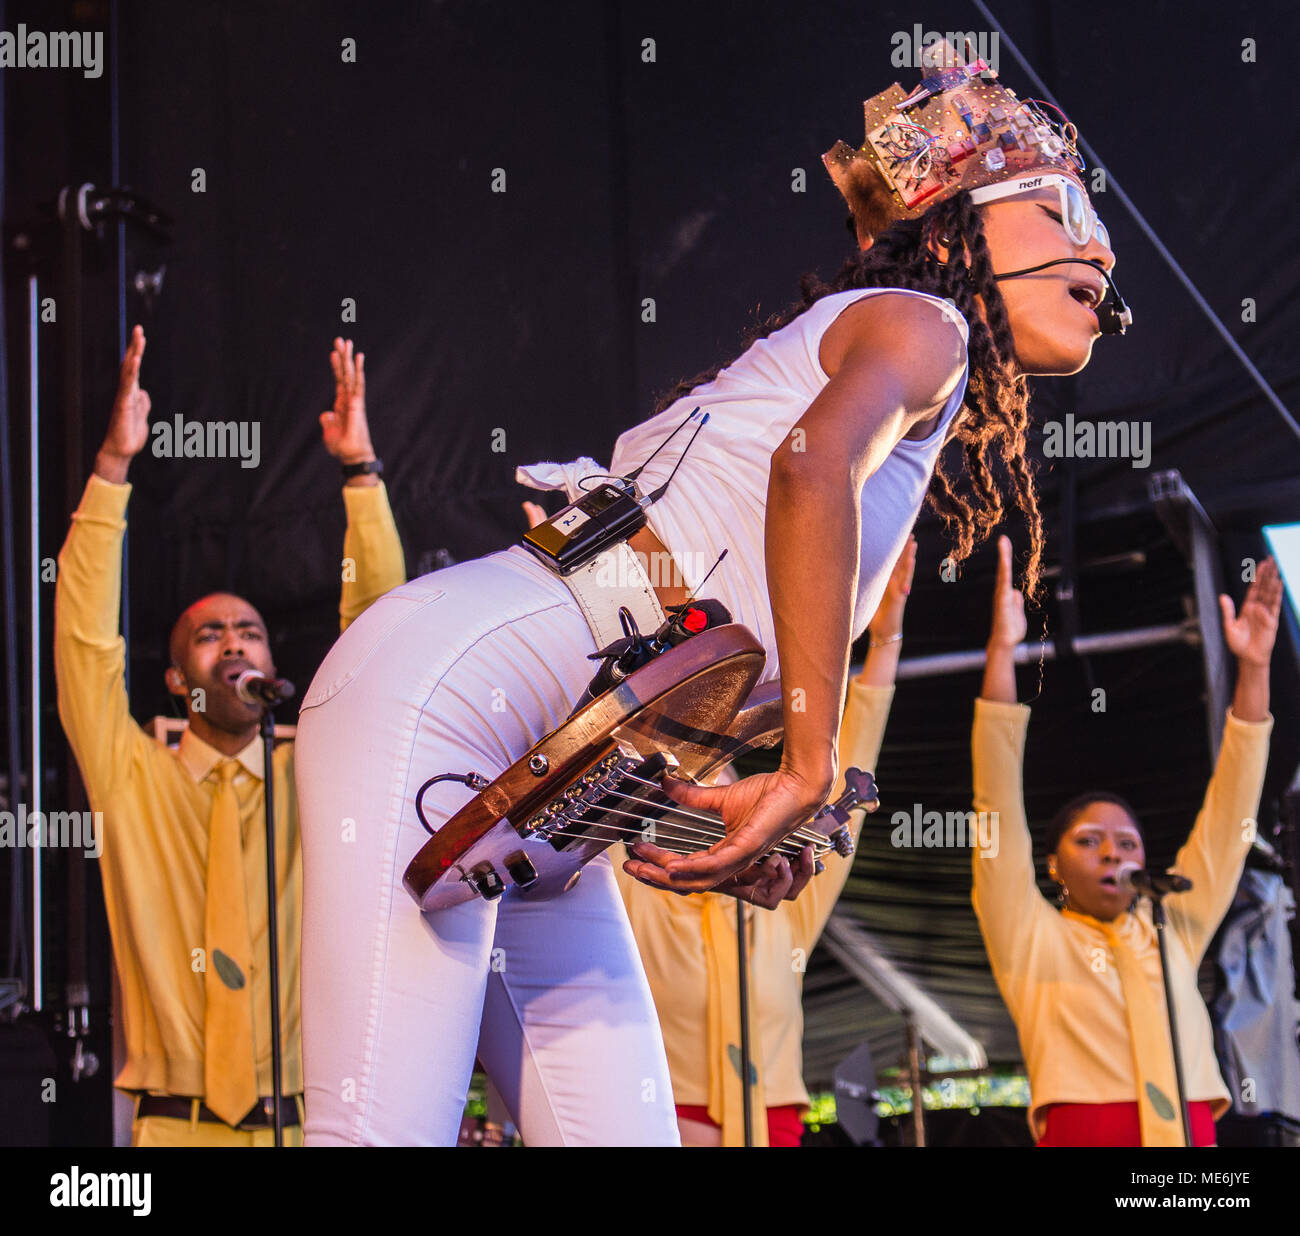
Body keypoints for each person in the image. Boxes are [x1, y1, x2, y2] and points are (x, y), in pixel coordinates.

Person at [294, 41, 1120, 1146]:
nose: (1099, 245)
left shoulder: (895, 348)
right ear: (958, 220)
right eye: (1061, 207)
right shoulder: (931, 327)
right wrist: (809, 764)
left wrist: (725, 815)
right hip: (448, 699)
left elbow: (665, 653)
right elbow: (807, 467)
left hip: (555, 783)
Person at [54, 329, 405, 1146]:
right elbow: (81, 640)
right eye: (211, 635)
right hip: (175, 1131)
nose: (237, 641)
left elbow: (378, 642)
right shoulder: (129, 775)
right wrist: (112, 471)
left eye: (249, 629)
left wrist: (360, 473)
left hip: (305, 1124)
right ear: (178, 680)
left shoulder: (311, 770)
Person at [971, 535, 1279, 1146]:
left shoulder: (1172, 922)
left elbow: (1230, 818)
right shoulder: (1030, 936)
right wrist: (1003, 656)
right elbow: (997, 809)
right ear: (1053, 866)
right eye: (1090, 841)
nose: (1115, 852)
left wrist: (1255, 670)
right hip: (1088, 1129)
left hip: (1190, 1133)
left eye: (1128, 843)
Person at [609, 538, 914, 1146]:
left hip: (776, 1121)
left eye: (723, 768)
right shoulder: (633, 874)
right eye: (689, 773)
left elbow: (849, 765)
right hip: (663, 1115)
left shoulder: (788, 901)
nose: (710, 782)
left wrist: (884, 640)